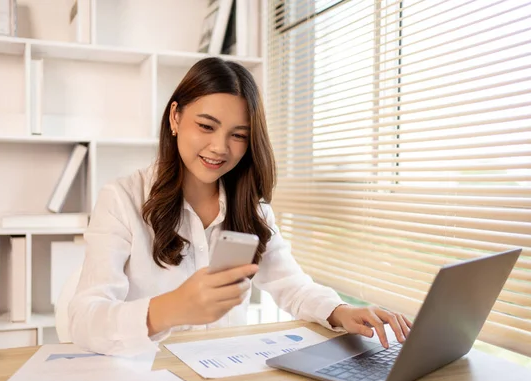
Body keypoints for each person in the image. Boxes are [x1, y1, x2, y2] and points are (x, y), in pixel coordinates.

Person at [68, 57, 413, 357]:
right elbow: (84, 320)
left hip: (225, 373)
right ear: (175, 117)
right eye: (206, 126)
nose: (220, 148)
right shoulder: (122, 199)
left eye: (238, 135)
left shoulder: (251, 209)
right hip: (147, 376)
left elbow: (292, 284)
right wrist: (169, 309)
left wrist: (340, 311)